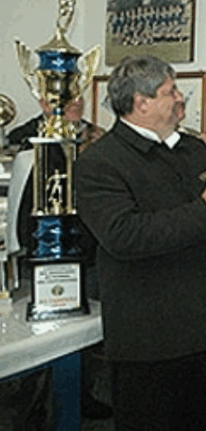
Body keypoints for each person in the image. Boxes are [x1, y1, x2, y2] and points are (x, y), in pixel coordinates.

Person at [74, 56, 206, 431]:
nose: (180, 97)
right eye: (170, 91)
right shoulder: (100, 162)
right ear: (142, 101)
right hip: (148, 339)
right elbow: (123, 236)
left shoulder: (191, 149)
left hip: (205, 328)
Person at [6, 95, 110, 419]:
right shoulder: (28, 138)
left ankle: (82, 396)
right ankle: (31, 404)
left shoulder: (97, 136)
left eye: (78, 98)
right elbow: (24, 207)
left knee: (83, 335)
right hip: (45, 255)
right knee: (38, 336)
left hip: (88, 253)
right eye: (65, 99)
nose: (74, 104)